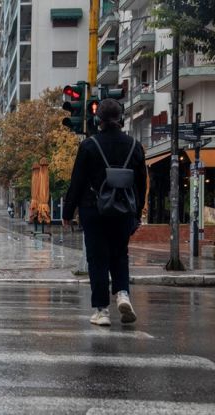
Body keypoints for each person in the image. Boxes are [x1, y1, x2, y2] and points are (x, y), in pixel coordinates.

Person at [63, 98, 147, 327]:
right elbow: (141, 183)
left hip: (94, 209)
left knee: (97, 258)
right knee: (120, 254)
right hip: (124, 211)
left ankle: (102, 311)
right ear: (120, 118)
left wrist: (68, 212)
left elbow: (77, 181)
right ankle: (122, 294)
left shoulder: (89, 146)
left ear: (98, 119)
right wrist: (137, 212)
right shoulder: (134, 146)